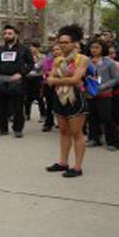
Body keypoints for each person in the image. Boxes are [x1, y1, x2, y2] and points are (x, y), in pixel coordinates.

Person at [45, 24, 89, 178]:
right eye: (61, 42)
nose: (63, 45)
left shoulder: (81, 58)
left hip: (75, 97)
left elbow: (77, 79)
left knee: (77, 133)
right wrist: (65, 80)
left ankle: (77, 167)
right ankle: (63, 162)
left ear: (74, 43)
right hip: (59, 97)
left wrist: (59, 80)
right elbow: (49, 79)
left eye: (66, 42)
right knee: (63, 131)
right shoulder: (58, 59)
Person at [0, 25, 33, 138]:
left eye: (10, 33)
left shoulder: (24, 49)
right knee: (1, 107)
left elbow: (30, 64)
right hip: (1, 80)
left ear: (16, 35)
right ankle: (2, 128)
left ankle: (18, 129)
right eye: (5, 34)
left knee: (18, 107)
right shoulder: (0, 49)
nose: (7, 36)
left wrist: (21, 74)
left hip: (16, 82)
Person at [86, 40, 119, 151]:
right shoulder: (87, 61)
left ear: (102, 49)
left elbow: (115, 79)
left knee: (106, 117)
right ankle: (94, 138)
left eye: (97, 47)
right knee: (92, 117)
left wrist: (102, 86)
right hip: (90, 93)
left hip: (104, 93)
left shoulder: (109, 62)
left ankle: (113, 142)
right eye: (92, 47)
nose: (94, 50)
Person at [41, 44, 61, 132]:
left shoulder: (66, 60)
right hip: (49, 84)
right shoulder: (48, 59)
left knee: (61, 104)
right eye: (54, 50)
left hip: (62, 84)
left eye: (58, 49)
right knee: (49, 104)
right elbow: (46, 71)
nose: (56, 51)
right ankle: (48, 123)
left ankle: (61, 122)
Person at [25, 42, 46, 122]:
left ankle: (43, 115)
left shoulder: (42, 57)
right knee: (27, 97)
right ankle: (27, 114)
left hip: (38, 78)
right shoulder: (27, 56)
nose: (31, 49)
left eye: (33, 47)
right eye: (30, 47)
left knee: (39, 97)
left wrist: (31, 64)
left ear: (38, 48)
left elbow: (38, 66)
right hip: (28, 77)